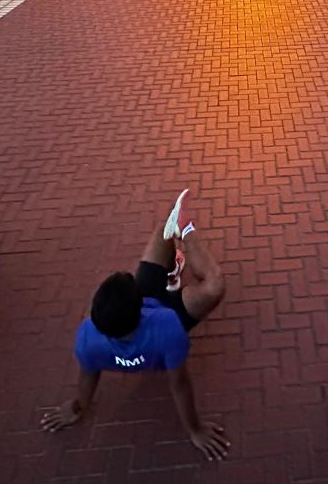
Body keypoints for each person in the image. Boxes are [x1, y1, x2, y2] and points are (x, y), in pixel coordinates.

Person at [42, 190, 229, 460]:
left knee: (165, 228)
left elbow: (88, 375)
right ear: (139, 305)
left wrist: (78, 406)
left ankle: (175, 245)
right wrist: (195, 430)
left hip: (133, 315)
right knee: (213, 284)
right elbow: (180, 385)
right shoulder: (168, 329)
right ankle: (186, 229)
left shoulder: (88, 337)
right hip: (165, 309)